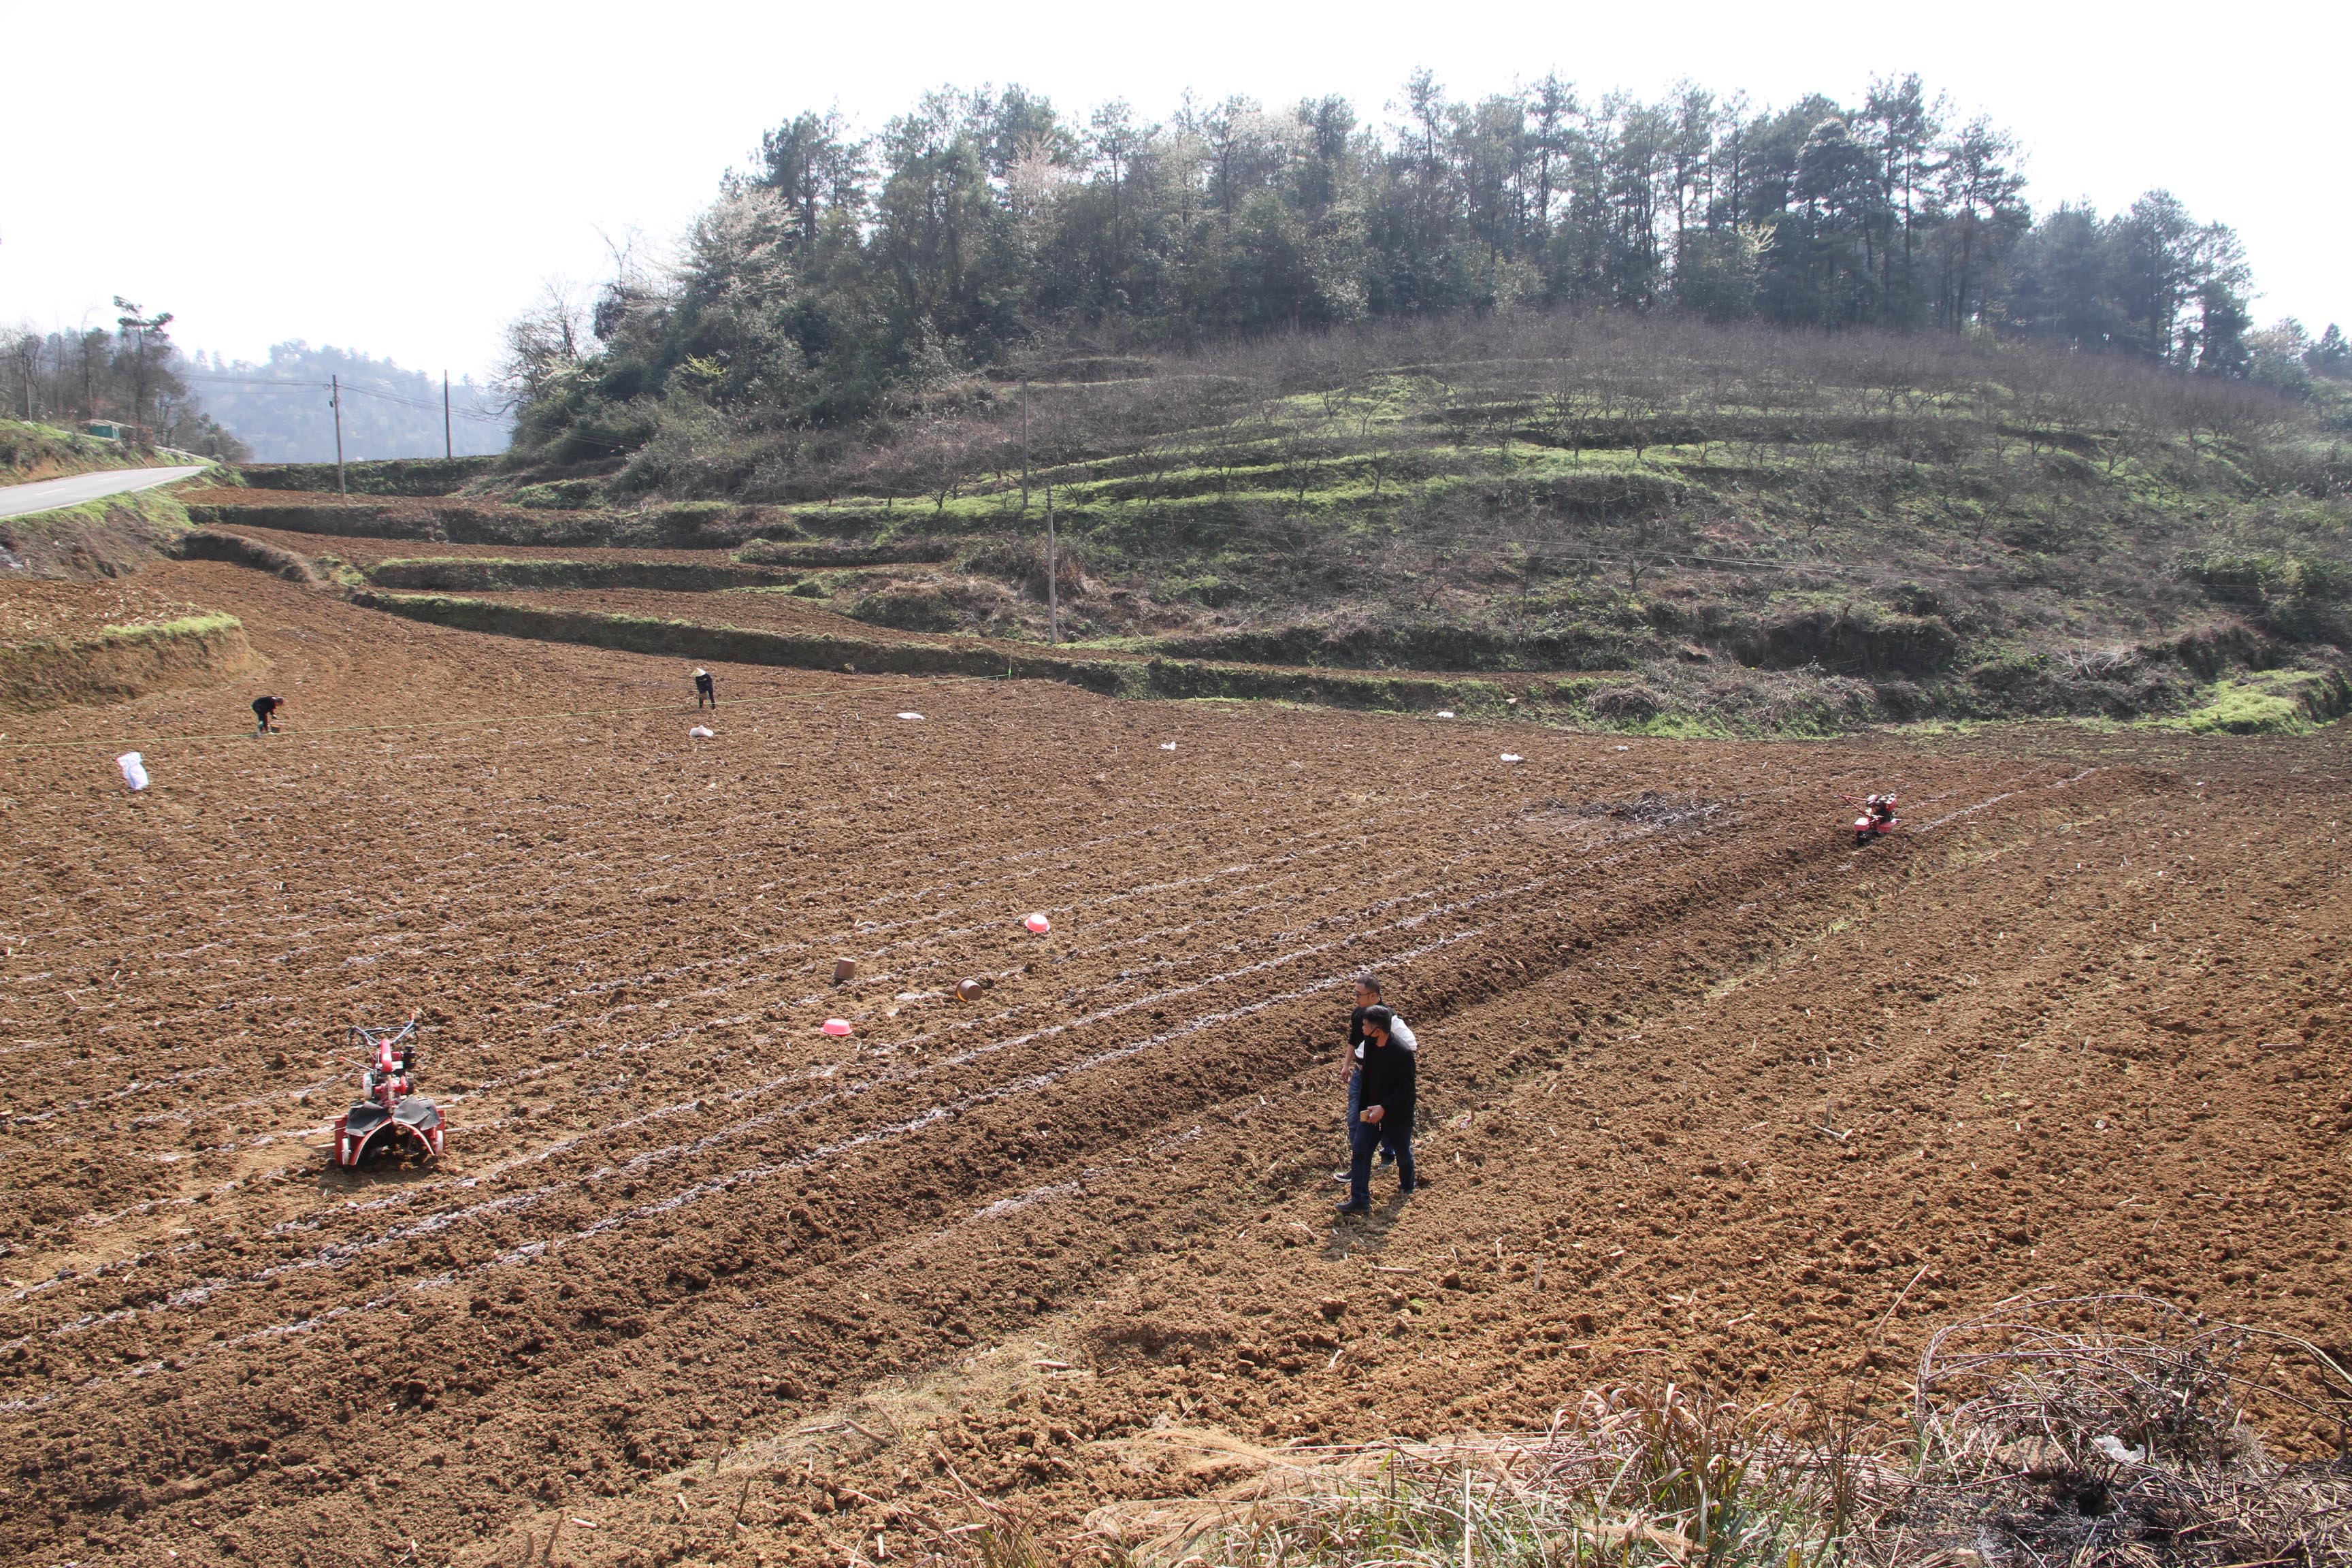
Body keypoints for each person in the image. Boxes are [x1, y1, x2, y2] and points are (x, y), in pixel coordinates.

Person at [1335, 974, 1414, 1183]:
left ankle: (1391, 1157)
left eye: (1358, 994)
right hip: (1362, 1074)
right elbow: (1354, 1040)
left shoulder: (1389, 1019)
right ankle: (1358, 1168)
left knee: (1385, 1119)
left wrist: (1387, 1063)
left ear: (1374, 996)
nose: (1355, 998)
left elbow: (1409, 1045)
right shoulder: (1358, 1015)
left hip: (1381, 1077)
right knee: (1356, 1119)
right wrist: (1347, 1065)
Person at [1338, 1006, 1416, 1215]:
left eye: (1365, 1026)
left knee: (1402, 1154)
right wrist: (1366, 1108)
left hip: (1396, 1114)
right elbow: (1367, 1078)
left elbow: (1407, 1091)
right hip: (1372, 1111)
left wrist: (1385, 1107)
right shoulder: (1370, 1045)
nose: (1362, 1029)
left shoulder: (1402, 1053)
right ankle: (1360, 1199)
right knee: (1361, 1150)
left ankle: (1408, 1186)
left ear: (1378, 1030)